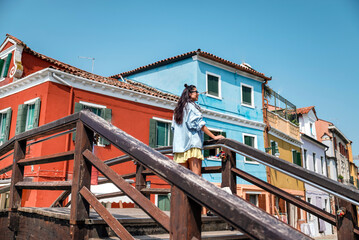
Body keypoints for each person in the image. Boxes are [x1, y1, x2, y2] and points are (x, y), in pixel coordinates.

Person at [171, 84, 225, 176]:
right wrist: (214, 136)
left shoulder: (177, 110)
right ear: (189, 94)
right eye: (196, 92)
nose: (198, 94)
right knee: (196, 177)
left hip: (179, 148)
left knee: (183, 179)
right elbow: (200, 124)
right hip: (192, 146)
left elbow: (173, 128)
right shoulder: (192, 107)